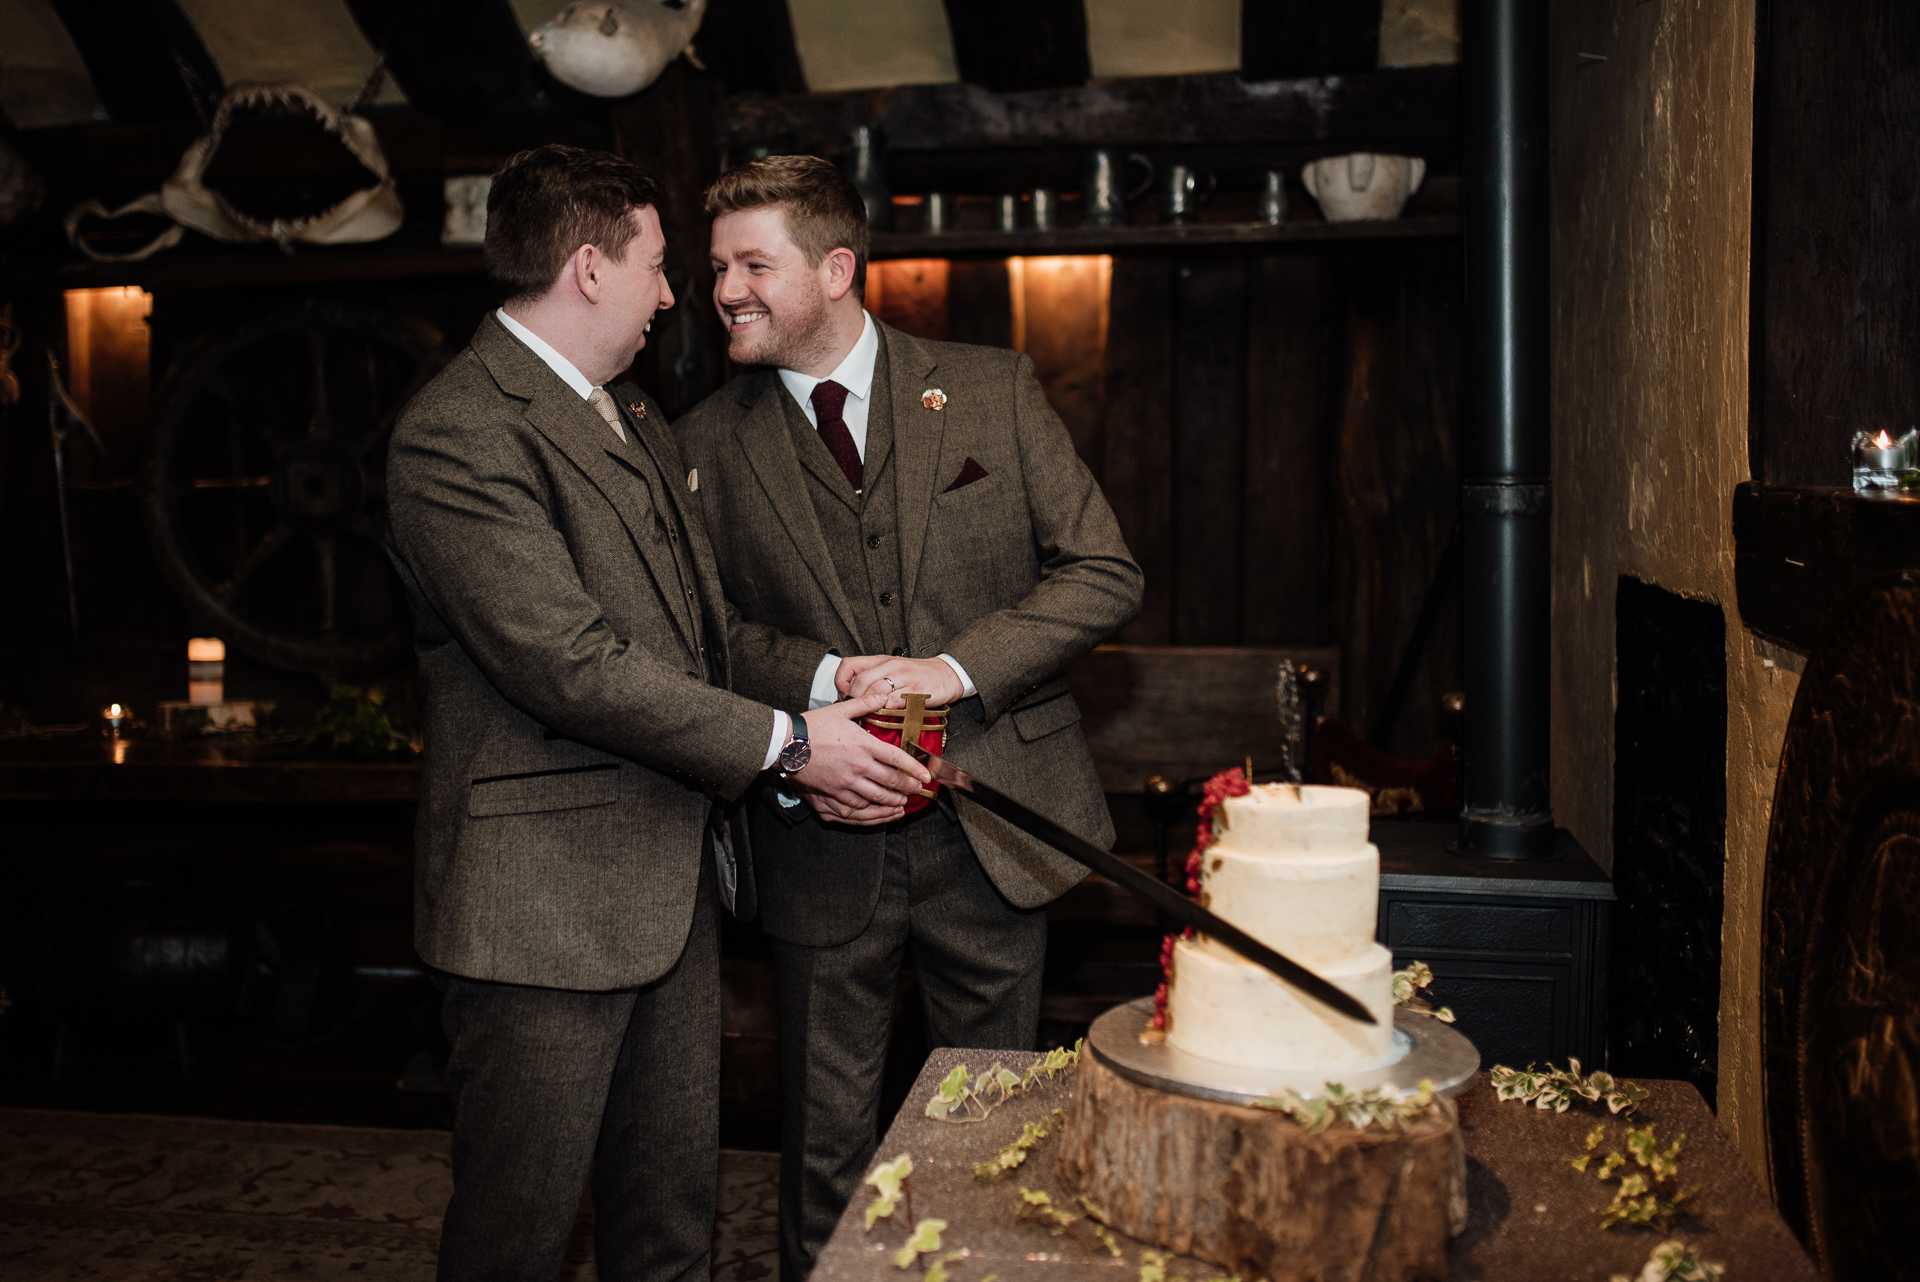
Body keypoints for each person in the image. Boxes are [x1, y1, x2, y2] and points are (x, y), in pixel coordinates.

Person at [384, 144, 928, 1282]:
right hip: (538, 915)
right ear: (589, 268)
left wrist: (833, 680)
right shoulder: (460, 431)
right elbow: (567, 664)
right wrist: (790, 749)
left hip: (671, 894)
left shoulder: (630, 411)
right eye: (658, 263)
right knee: (515, 1239)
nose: (678, 294)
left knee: (670, 1229)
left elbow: (705, 631)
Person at [674, 154, 1145, 1280]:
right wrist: (833, 676)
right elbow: (708, 636)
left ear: (836, 268)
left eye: (752, 264)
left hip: (996, 822)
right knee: (825, 1138)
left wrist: (950, 668)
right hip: (818, 836)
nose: (724, 289)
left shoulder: (991, 388)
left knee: (990, 1119)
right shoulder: (700, 444)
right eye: (714, 269)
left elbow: (1102, 571)